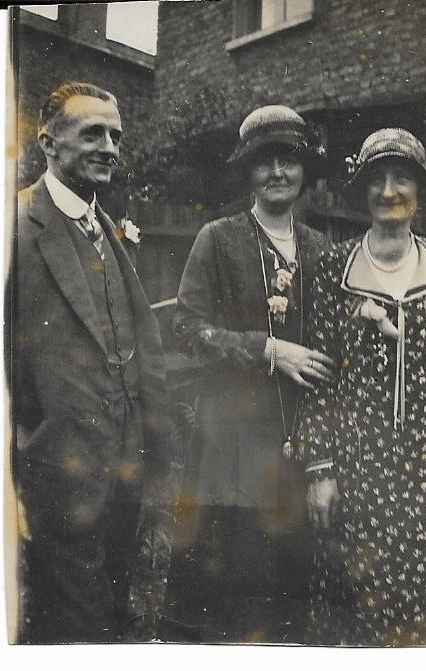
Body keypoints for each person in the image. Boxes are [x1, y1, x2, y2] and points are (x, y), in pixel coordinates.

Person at [296, 128, 426, 646]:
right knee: (356, 610)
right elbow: (319, 378)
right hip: (359, 473)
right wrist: (321, 471)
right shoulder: (334, 268)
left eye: (402, 178)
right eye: (376, 179)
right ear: (362, 191)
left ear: (420, 190)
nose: (389, 190)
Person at [8, 82, 169, 643]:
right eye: (93, 134)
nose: (109, 148)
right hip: (53, 480)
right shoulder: (12, 225)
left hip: (122, 476)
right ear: (49, 143)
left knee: (110, 617)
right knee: (72, 630)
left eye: (116, 136)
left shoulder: (108, 229)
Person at [166, 105, 334, 643]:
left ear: (305, 170)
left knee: (288, 601)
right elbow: (187, 329)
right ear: (248, 170)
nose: (277, 172)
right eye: (265, 161)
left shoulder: (322, 250)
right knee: (230, 598)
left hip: (297, 447)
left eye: (289, 160)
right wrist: (267, 349)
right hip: (231, 449)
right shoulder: (217, 239)